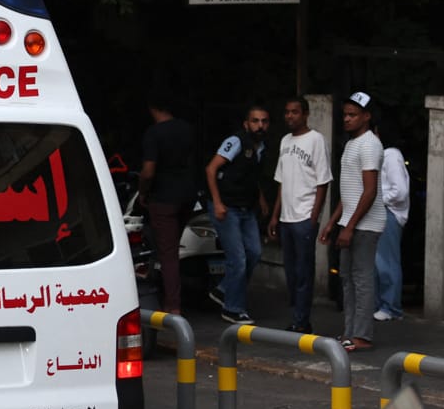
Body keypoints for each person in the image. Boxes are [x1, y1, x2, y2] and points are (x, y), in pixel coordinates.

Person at [319, 92, 386, 352]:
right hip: (349, 222)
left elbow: (369, 192)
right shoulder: (351, 144)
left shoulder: (370, 144)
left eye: (353, 115)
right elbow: (349, 191)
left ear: (366, 117)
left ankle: (363, 336)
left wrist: (348, 227)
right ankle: (349, 332)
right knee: (347, 278)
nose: (346, 119)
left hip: (366, 225)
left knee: (361, 278)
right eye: (345, 114)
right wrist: (332, 223)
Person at [267, 96, 332, 333]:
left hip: (305, 216)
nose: (290, 116)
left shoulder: (316, 140)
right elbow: (281, 181)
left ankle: (301, 321)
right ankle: (298, 314)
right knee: (292, 272)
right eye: (287, 112)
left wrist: (314, 218)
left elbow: (323, 181)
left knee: (304, 271)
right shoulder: (284, 141)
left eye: (295, 112)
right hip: (286, 217)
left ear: (305, 114)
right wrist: (275, 215)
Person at [204, 103, 271, 325]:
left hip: (246, 208)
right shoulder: (236, 141)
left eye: (264, 121)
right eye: (255, 121)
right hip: (226, 207)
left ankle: (224, 289)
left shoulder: (261, 147)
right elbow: (211, 169)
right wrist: (217, 203)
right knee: (238, 259)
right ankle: (233, 309)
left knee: (254, 252)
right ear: (246, 123)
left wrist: (260, 199)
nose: (260, 125)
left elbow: (250, 176)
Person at [137, 93, 199, 315]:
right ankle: (166, 292)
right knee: (170, 247)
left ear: (152, 108)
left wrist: (143, 191)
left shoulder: (153, 134)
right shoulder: (187, 129)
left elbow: (148, 171)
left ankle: (173, 306)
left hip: (163, 198)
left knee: (168, 253)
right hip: (188, 195)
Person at [374, 126, 411, 322]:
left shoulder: (391, 156)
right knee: (380, 262)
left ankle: (391, 307)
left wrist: (379, 199)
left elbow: (400, 191)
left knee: (387, 262)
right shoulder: (385, 156)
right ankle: (384, 304)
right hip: (383, 210)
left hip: (389, 212)